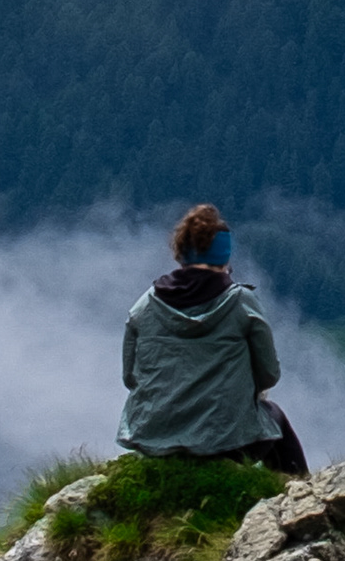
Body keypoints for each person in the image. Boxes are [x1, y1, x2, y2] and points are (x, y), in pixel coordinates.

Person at [118, 202, 304, 472]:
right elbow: (269, 374)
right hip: (226, 443)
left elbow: (130, 377)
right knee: (275, 418)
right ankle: (299, 500)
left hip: (154, 441)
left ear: (180, 252)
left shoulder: (144, 306)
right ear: (224, 257)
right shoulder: (241, 303)